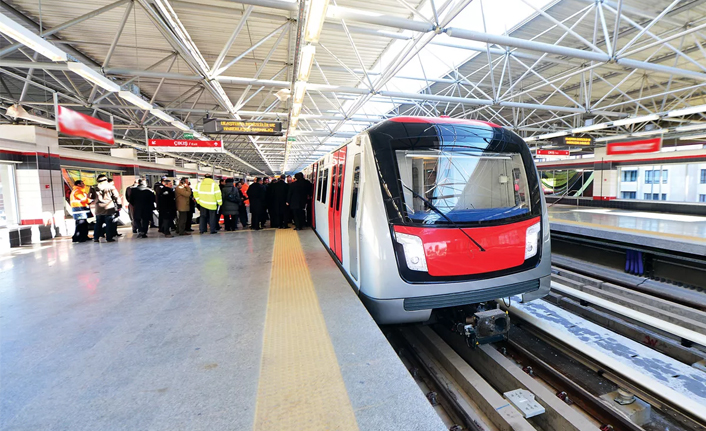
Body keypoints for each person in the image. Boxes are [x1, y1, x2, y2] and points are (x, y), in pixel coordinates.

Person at [93, 174, 121, 243]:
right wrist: (119, 205)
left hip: (98, 208)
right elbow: (116, 196)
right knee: (109, 224)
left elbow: (91, 197)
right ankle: (109, 238)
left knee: (98, 224)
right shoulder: (111, 187)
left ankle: (96, 238)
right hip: (108, 208)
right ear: (106, 180)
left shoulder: (94, 187)